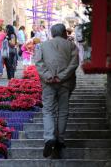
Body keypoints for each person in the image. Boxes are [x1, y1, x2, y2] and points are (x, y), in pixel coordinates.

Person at [35, 23, 79, 158]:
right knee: (63, 111)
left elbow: (39, 63)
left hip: (48, 83)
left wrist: (49, 76)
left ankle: (49, 138)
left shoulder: (42, 45)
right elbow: (74, 64)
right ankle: (60, 139)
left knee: (48, 110)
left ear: (52, 33)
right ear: (64, 33)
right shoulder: (72, 46)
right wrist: (61, 77)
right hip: (65, 83)